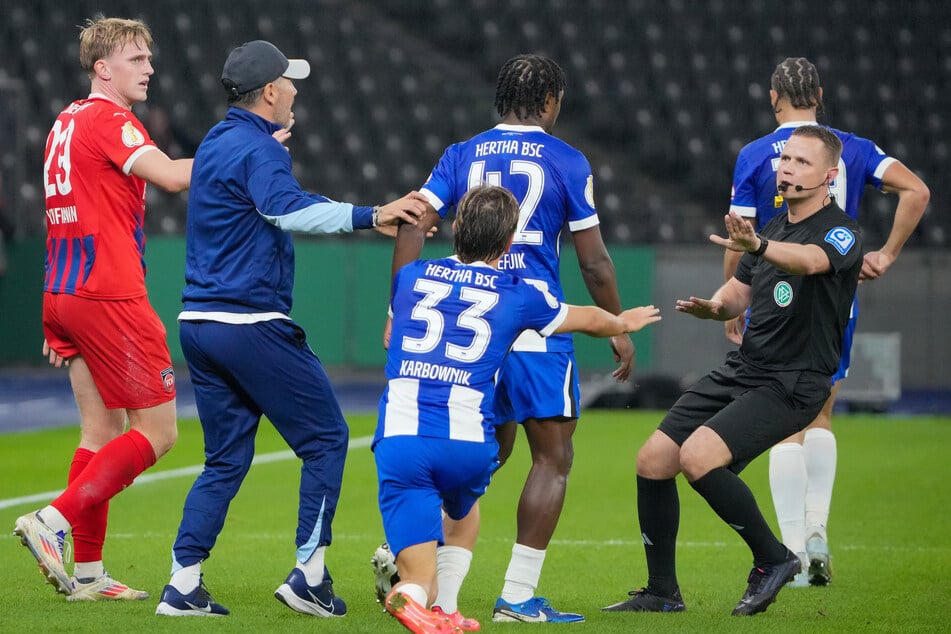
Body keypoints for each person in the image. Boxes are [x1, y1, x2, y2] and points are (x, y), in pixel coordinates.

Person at [153, 39, 428, 618]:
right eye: (290, 81)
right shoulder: (259, 152)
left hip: (199, 324)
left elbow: (263, 194)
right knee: (327, 437)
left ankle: (182, 583)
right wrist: (371, 214)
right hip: (249, 320)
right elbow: (287, 210)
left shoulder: (220, 141)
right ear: (271, 92)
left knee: (225, 459)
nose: (297, 90)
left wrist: (266, 156)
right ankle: (309, 573)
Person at [375, 52, 635, 625]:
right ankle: (517, 595)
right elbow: (593, 262)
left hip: (471, 315)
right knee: (553, 456)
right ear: (550, 103)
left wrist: (402, 304)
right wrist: (615, 326)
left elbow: (414, 219)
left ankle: (413, 551)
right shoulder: (567, 160)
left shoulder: (461, 154)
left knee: (490, 447)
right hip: (533, 319)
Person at [602, 125, 863, 616]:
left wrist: (757, 247)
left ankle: (774, 558)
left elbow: (810, 263)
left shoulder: (840, 230)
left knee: (698, 457)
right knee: (653, 460)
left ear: (829, 176)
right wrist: (714, 306)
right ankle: (662, 592)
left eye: (802, 162)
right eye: (785, 159)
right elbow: (737, 297)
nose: (787, 168)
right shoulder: (771, 228)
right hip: (746, 367)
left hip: (796, 380)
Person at [377, 185, 661, 633]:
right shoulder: (519, 292)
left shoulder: (411, 278)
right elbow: (586, 318)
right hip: (467, 444)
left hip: (401, 441)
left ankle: (410, 595)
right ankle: (444, 611)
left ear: (456, 228)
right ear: (509, 244)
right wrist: (623, 322)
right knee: (462, 512)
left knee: (417, 576)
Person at [724, 57, 929, 586]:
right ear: (819, 93)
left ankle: (790, 547)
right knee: (820, 414)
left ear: (774, 98)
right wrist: (885, 253)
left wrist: (735, 301)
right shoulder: (851, 147)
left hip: (773, 298)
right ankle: (817, 529)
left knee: (778, 422)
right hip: (837, 300)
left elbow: (740, 235)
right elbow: (917, 191)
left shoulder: (755, 154)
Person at [14, 15, 193, 601]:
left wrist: (64, 311)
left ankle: (88, 575)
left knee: (100, 429)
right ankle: (51, 522)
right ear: (102, 67)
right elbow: (168, 176)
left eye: (148, 58)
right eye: (136, 59)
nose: (149, 68)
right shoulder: (110, 118)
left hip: (64, 292)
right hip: (108, 293)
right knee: (160, 432)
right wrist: (242, 153)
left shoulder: (63, 122)